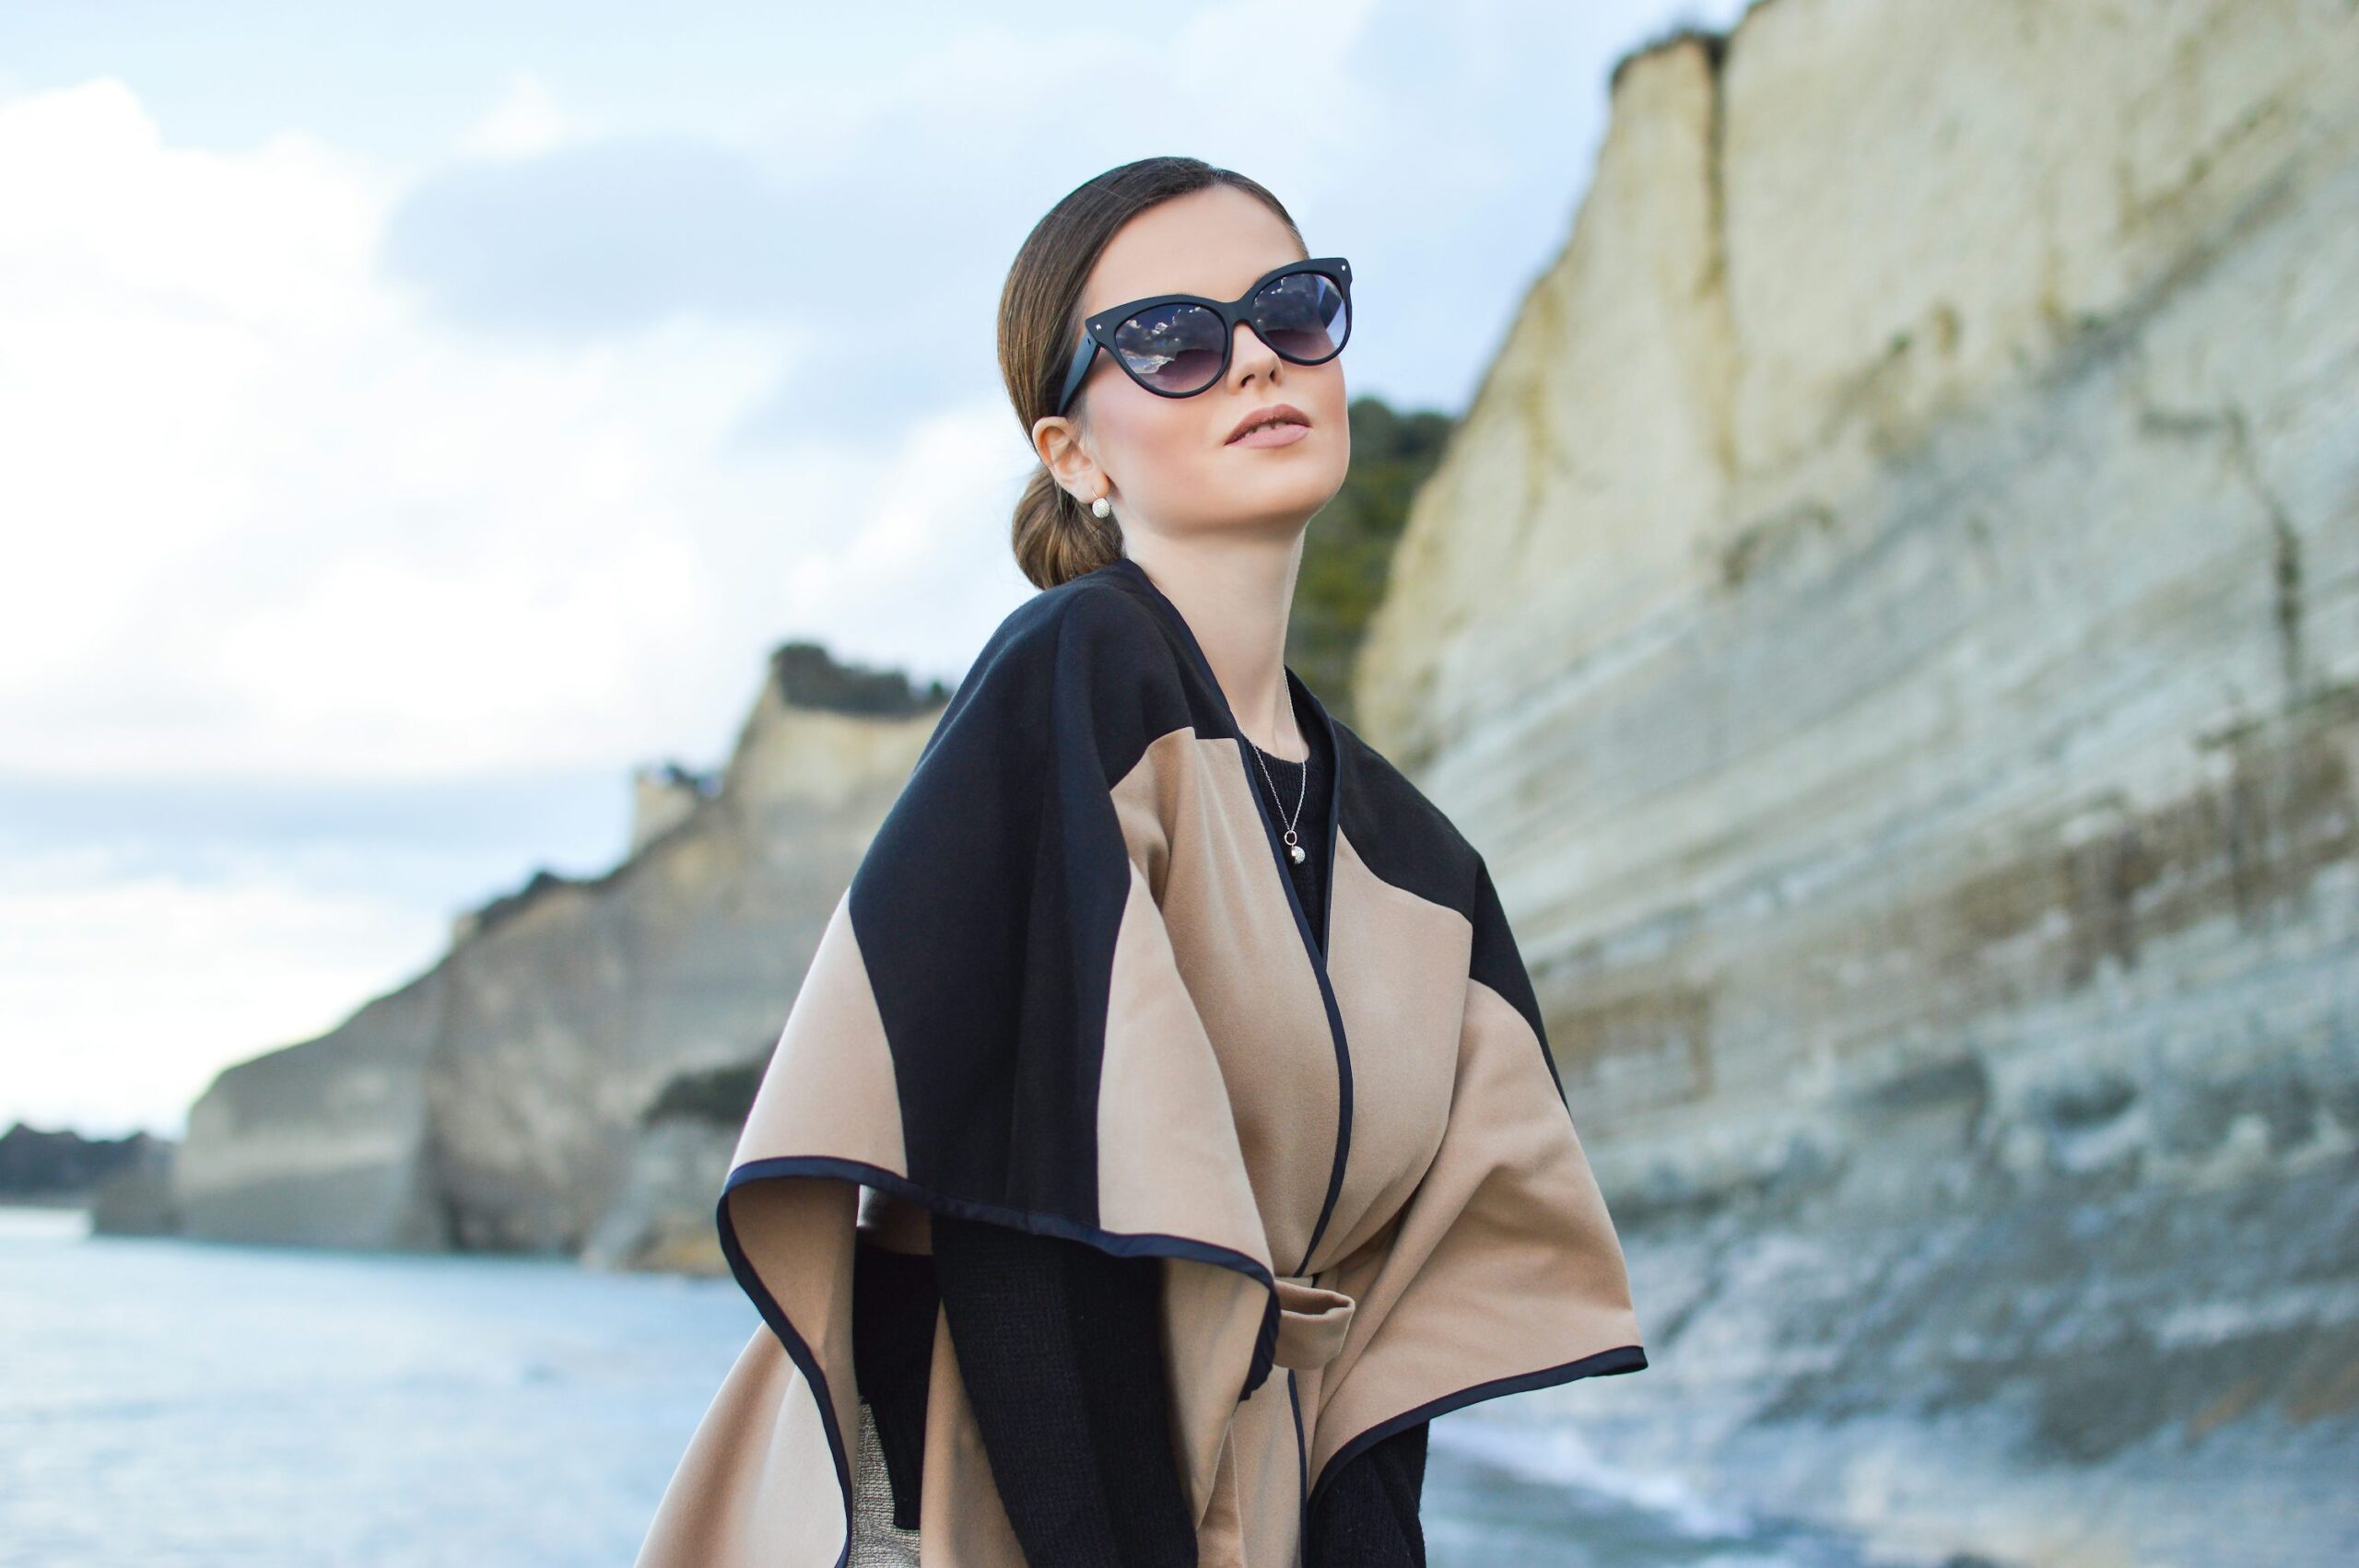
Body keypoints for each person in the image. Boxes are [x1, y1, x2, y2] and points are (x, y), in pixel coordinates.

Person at [635, 155, 1646, 1568]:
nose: (1250, 361)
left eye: (1291, 312)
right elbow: (1021, 1227)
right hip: (976, 1504)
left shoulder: (1420, 863)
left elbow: (1394, 1351)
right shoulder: (1077, 675)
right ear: (1076, 455)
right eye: (1174, 340)